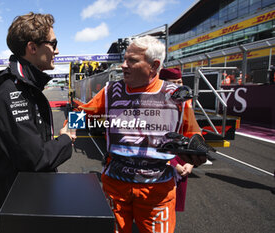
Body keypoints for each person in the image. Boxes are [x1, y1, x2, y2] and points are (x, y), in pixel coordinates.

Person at [78, 36, 205, 233]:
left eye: (132, 60)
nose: (123, 65)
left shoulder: (176, 95)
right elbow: (84, 113)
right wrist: (68, 128)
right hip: (115, 186)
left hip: (157, 190)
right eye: (124, 59)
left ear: (154, 66)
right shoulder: (111, 91)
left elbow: (193, 134)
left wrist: (196, 153)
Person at [0, 12, 75, 216]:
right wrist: (65, 139)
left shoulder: (26, 87)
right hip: (22, 208)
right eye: (53, 43)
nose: (58, 51)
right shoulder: (12, 92)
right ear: (32, 48)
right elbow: (35, 159)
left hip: (33, 197)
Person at [159, 67, 199, 212]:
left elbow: (193, 132)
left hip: (182, 161)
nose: (178, 86)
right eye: (174, 83)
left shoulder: (185, 103)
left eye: (180, 82)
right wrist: (171, 162)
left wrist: (191, 161)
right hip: (159, 162)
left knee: (173, 206)